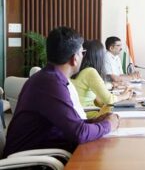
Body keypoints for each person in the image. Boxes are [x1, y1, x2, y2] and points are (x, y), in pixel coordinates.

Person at [3, 27, 119, 157]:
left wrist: (95, 121)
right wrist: (108, 125)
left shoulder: (50, 77)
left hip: (42, 151)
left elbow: (70, 123)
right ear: (74, 58)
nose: (83, 56)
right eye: (82, 52)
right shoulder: (51, 84)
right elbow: (79, 134)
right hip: (31, 161)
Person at [72, 40, 132, 118]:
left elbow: (98, 86)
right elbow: (109, 100)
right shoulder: (90, 71)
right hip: (88, 115)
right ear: (98, 56)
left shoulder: (78, 70)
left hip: (81, 113)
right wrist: (124, 96)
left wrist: (111, 85)